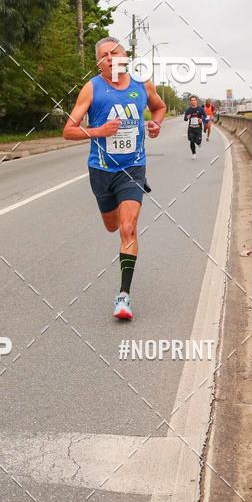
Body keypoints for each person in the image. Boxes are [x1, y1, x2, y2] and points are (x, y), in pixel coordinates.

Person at [63, 36, 166, 320]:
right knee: (111, 226)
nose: (110, 58)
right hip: (101, 169)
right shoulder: (91, 89)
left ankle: (124, 297)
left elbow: (159, 107)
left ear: (126, 56)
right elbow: (68, 130)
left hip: (132, 168)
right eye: (104, 55)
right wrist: (99, 131)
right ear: (98, 62)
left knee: (128, 228)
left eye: (114, 53)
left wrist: (155, 124)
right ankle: (114, 214)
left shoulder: (142, 85)